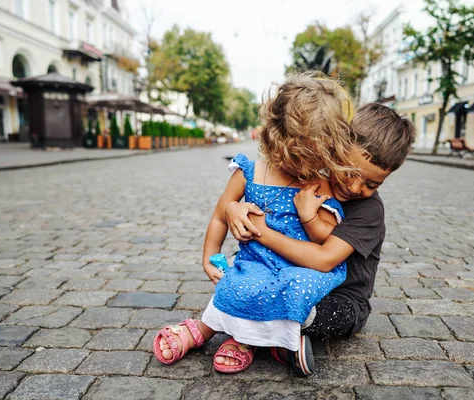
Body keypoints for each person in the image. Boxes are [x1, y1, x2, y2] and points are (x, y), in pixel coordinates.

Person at [152, 72, 359, 375]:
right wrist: (209, 255)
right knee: (237, 284)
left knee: (295, 289)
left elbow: (325, 238)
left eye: (314, 160)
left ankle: (255, 340)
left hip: (298, 265)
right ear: (277, 138)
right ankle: (207, 331)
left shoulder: (321, 184)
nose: (304, 168)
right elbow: (221, 214)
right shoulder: (250, 172)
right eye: (298, 157)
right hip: (255, 259)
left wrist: (309, 216)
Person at [226, 102, 416, 344]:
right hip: (289, 275)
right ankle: (277, 333)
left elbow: (324, 259)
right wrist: (235, 207)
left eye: (372, 184)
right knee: (255, 277)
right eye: (350, 171)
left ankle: (279, 331)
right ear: (336, 150)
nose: (355, 187)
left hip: (340, 296)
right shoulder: (310, 177)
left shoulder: (369, 210)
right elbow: (264, 192)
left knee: (328, 314)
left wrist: (261, 232)